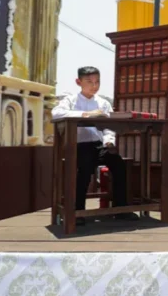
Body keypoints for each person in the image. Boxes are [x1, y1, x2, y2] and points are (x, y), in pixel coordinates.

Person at [51, 66, 131, 225]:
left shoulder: (103, 102)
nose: (94, 85)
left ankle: (120, 209)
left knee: (119, 164)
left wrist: (109, 141)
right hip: (78, 145)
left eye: (97, 82)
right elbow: (56, 113)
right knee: (85, 168)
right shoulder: (70, 100)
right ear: (78, 82)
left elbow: (108, 127)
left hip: (99, 145)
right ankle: (77, 211)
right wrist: (86, 114)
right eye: (89, 81)